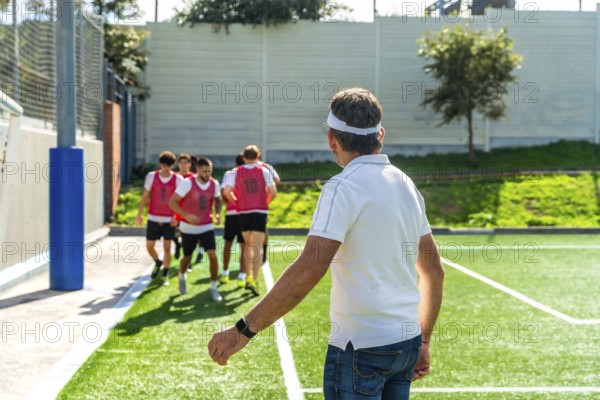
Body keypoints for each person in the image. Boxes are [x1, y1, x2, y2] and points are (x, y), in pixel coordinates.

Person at [208, 88, 445, 399]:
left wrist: (243, 330)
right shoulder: (404, 182)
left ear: (332, 138)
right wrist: (423, 340)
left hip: (361, 346)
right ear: (380, 135)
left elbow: (310, 267)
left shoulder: (341, 187)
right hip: (406, 342)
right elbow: (434, 271)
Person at [222, 145, 277, 296]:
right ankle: (254, 279)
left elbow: (226, 192)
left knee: (247, 246)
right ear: (258, 157)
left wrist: (236, 202)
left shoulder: (236, 172)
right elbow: (274, 191)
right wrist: (265, 202)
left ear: (244, 157)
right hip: (259, 211)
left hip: (243, 212)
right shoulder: (264, 171)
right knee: (257, 247)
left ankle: (247, 277)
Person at [168, 157, 223, 301]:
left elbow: (218, 199)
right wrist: (186, 215)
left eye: (210, 171)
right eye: (205, 171)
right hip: (188, 227)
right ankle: (181, 274)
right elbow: (172, 202)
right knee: (187, 257)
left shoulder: (214, 183)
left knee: (213, 255)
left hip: (206, 225)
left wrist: (217, 213)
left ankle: (213, 287)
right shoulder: (187, 183)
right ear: (197, 170)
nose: (208, 174)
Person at [136, 151, 183, 286]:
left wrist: (177, 216)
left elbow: (179, 200)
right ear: (160, 164)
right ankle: (157, 261)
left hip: (169, 219)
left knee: (167, 247)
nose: (166, 168)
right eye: (163, 165)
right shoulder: (151, 176)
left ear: (172, 165)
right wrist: (139, 214)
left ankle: (165, 274)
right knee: (149, 246)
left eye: (168, 165)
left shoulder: (178, 179)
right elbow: (145, 196)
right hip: (153, 217)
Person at [220, 154, 247, 287]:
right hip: (244, 214)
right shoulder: (252, 174)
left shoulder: (229, 173)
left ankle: (225, 273)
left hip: (231, 213)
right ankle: (241, 276)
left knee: (228, 244)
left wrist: (233, 202)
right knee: (244, 246)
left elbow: (223, 192)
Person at [256, 155, 281, 266]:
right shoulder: (245, 167)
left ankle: (263, 253)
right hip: (253, 202)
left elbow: (276, 180)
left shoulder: (265, 167)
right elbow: (277, 180)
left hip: (257, 202)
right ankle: (259, 254)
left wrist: (267, 189)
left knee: (261, 227)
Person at [173, 153, 195, 260]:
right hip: (176, 209)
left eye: (185, 163)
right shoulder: (174, 177)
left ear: (190, 164)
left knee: (189, 236)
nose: (183, 165)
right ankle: (177, 245)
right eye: (181, 163)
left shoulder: (193, 178)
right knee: (174, 233)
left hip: (189, 210)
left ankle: (189, 259)